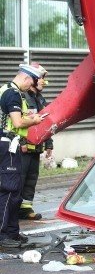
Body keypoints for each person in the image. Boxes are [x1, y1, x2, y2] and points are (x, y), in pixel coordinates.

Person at [0, 64, 44, 248]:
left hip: (14, 144)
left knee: (15, 190)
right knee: (9, 190)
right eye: (31, 82)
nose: (31, 87)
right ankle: (3, 236)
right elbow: (17, 121)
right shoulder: (12, 93)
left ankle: (12, 232)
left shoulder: (10, 90)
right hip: (7, 145)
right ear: (26, 78)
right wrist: (34, 120)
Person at [19, 62, 53, 221]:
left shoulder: (39, 98)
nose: (43, 82)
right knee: (18, 178)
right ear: (32, 79)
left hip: (36, 147)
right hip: (22, 147)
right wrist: (22, 142)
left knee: (31, 178)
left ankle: (25, 209)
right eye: (41, 78)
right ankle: (10, 209)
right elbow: (17, 122)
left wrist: (49, 144)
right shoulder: (21, 96)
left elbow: (47, 122)